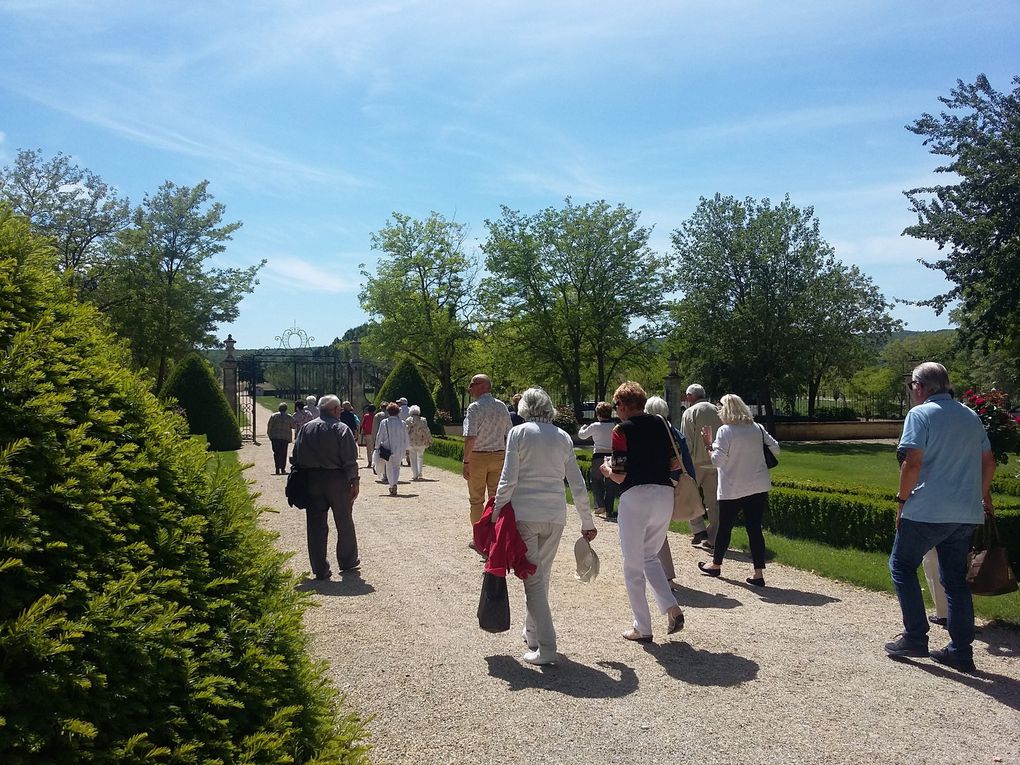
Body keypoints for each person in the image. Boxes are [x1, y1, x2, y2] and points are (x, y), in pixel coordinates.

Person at [885, 362, 995, 673]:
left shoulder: (919, 414)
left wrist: (901, 501)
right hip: (965, 513)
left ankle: (915, 637)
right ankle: (960, 651)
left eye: (912, 387)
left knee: (901, 565)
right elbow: (989, 462)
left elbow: (913, 462)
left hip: (928, 511)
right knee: (955, 582)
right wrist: (979, 496)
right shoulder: (970, 416)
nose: (912, 392)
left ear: (920, 386)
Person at [492, 387, 597, 665]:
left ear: (525, 408)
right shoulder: (562, 436)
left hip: (525, 514)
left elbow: (508, 478)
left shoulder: (519, 433)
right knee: (540, 577)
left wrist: (496, 511)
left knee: (533, 581)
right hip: (555, 515)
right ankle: (532, 633)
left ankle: (547, 646)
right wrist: (586, 521)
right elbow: (577, 483)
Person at [599, 381, 685, 642]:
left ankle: (642, 626)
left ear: (623, 405)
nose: (617, 411)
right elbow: (673, 461)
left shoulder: (621, 430)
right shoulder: (661, 423)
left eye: (617, 406)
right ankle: (671, 607)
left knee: (632, 564)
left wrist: (606, 471)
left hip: (636, 496)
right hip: (663, 493)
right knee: (649, 556)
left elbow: (620, 475)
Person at [697, 394, 779, 586]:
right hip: (758, 485)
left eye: (720, 406)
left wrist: (709, 445)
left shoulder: (726, 430)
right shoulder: (757, 428)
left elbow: (718, 460)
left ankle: (716, 565)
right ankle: (758, 574)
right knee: (754, 529)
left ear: (727, 409)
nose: (718, 409)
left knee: (725, 527)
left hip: (733, 487)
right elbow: (776, 448)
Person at [291, 395, 361, 580]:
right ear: (337, 410)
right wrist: (354, 480)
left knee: (315, 525)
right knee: (344, 521)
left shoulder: (306, 428)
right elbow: (349, 458)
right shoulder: (341, 429)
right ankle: (347, 561)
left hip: (312, 480)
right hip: (337, 479)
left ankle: (320, 568)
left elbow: (296, 455)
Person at [643, 396, 696, 589]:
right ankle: (663, 575)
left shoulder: (645, 432)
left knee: (651, 532)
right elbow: (687, 464)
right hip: (671, 485)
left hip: (652, 486)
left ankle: (663, 576)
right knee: (658, 531)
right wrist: (692, 483)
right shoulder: (675, 433)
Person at [462, 374, 512, 545]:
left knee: (476, 499)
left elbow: (470, 437)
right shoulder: (502, 406)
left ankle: (479, 539)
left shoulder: (474, 408)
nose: (470, 388)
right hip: (498, 455)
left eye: (472, 384)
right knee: (496, 498)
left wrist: (466, 461)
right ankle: (494, 536)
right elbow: (509, 433)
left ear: (483, 386)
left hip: (477, 457)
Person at [681, 384, 723, 550]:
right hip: (715, 462)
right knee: (714, 502)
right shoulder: (717, 410)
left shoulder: (690, 412)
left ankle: (698, 529)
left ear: (691, 396)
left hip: (695, 463)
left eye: (686, 396)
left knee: (689, 496)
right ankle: (714, 535)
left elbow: (686, 440)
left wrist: (685, 464)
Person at [578, 401, 618, 518]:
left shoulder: (595, 426)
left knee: (596, 480)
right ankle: (609, 509)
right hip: (611, 456)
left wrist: (583, 427)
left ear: (598, 414)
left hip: (598, 455)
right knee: (610, 483)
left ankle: (600, 505)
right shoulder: (615, 426)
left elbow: (582, 435)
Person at [376, 402, 410, 496]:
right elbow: (406, 436)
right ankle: (394, 483)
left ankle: (392, 485)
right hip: (399, 448)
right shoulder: (402, 423)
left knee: (389, 468)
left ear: (388, 412)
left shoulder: (384, 422)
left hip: (388, 449)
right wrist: (407, 447)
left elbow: (380, 435)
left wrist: (377, 446)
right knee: (397, 467)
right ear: (398, 412)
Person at [405, 405, 433, 480]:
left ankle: (415, 474)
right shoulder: (423, 420)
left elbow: (406, 431)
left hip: (412, 442)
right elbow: (427, 430)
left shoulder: (408, 420)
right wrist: (430, 439)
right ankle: (420, 472)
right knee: (420, 457)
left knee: (413, 458)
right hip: (421, 442)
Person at [266, 402, 295, 474]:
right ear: (286, 409)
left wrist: (269, 435)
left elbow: (269, 426)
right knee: (283, 453)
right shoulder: (289, 417)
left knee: (276, 453)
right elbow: (294, 426)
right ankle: (282, 468)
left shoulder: (274, 416)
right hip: (285, 437)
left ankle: (277, 468)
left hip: (275, 437)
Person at [361, 404, 376, 469]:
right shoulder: (375, 416)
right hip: (374, 433)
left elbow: (363, 425)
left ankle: (369, 462)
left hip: (367, 433)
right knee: (374, 449)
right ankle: (374, 462)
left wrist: (363, 432)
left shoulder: (366, 416)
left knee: (368, 449)